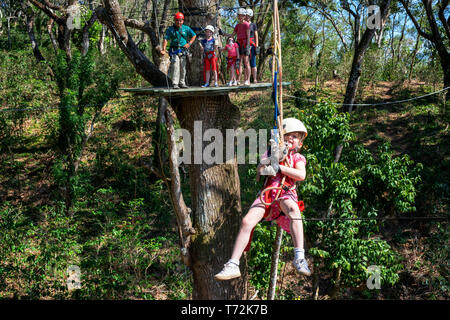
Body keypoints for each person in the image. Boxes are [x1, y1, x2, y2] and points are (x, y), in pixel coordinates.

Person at [214, 118, 311, 281]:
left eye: (294, 137)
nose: (290, 139)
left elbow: (301, 175)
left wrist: (280, 166)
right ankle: (233, 264)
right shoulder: (271, 153)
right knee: (246, 222)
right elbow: (261, 170)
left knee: (294, 210)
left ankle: (299, 257)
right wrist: (274, 158)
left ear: (300, 143)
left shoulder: (298, 158)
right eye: (287, 135)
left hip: (284, 192)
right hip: (267, 193)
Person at [160, 12, 196, 89]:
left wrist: (189, 44)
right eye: (177, 20)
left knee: (183, 67)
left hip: (183, 50)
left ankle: (182, 83)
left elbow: (194, 35)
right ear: (174, 20)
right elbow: (165, 39)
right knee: (175, 65)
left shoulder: (186, 28)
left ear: (183, 20)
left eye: (180, 20)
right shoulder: (170, 29)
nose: (179, 22)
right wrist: (163, 49)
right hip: (174, 50)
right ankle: (175, 83)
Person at [230, 8, 251, 86]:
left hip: (245, 44)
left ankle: (247, 80)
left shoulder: (246, 24)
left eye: (241, 15)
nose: (240, 17)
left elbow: (248, 36)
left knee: (246, 61)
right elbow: (232, 35)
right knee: (239, 62)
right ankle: (238, 79)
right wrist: (229, 38)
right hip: (238, 43)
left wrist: (248, 46)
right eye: (239, 15)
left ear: (244, 16)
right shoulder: (237, 25)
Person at [245, 9, 259, 83]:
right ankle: (246, 79)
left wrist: (257, 45)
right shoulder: (243, 24)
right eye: (246, 16)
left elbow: (256, 35)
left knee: (253, 62)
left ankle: (255, 79)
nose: (247, 17)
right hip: (245, 44)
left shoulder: (253, 25)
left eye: (248, 16)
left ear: (250, 16)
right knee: (246, 63)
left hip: (252, 44)